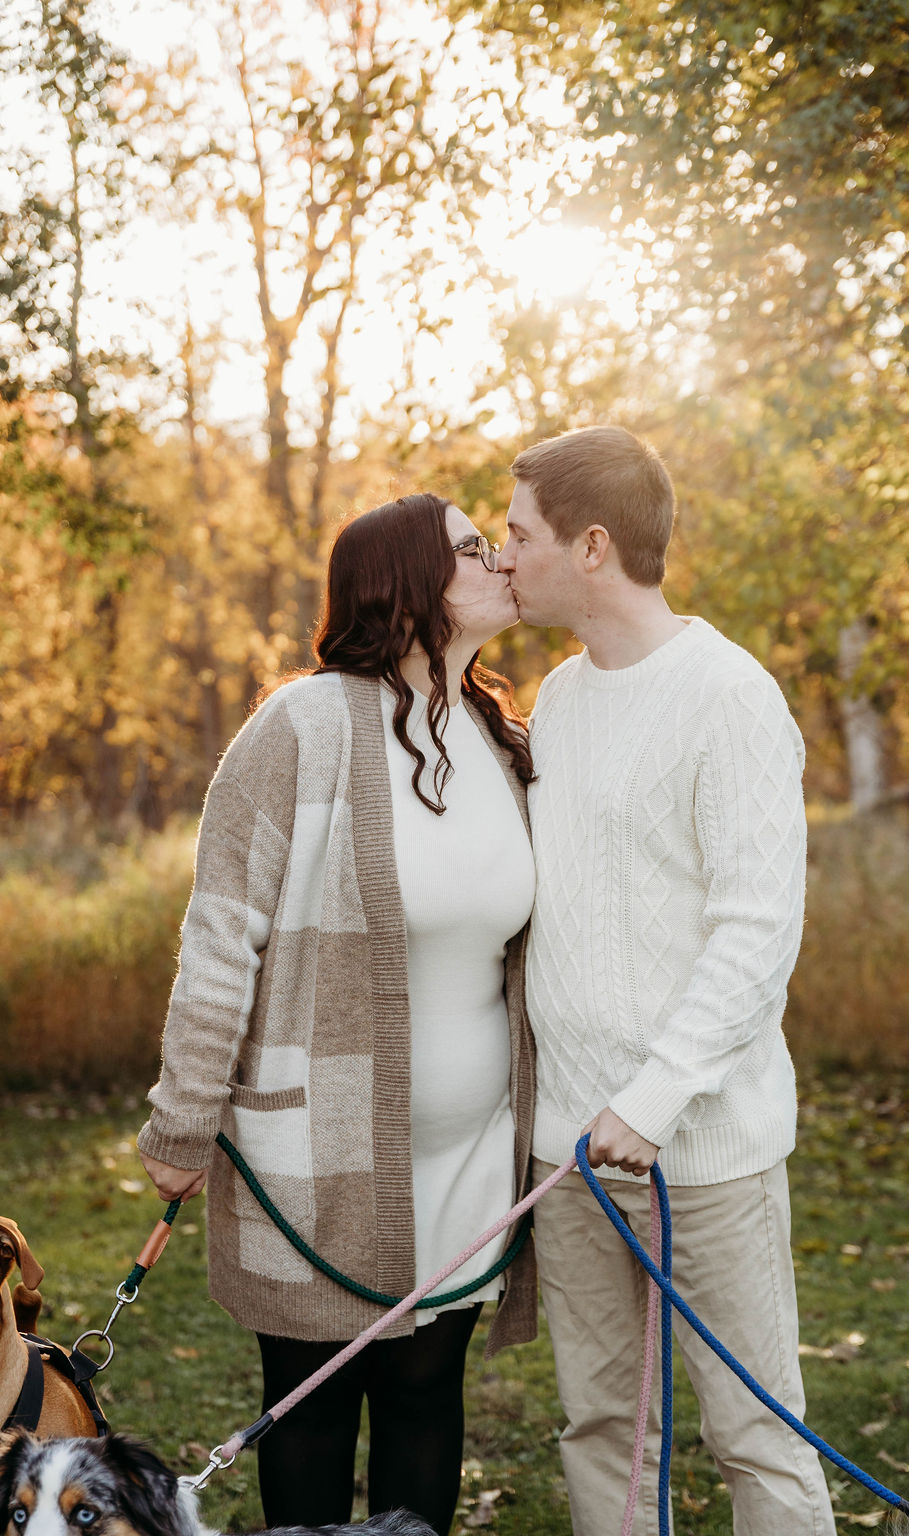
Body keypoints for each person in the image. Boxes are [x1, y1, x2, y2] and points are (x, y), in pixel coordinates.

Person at [137, 493, 537, 1536]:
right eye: (472, 548)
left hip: (469, 1153)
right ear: (407, 584)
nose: (499, 561)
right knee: (312, 1404)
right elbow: (221, 934)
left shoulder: (498, 736)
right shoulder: (299, 727)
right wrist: (183, 1117)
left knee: (426, 1392)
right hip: (317, 1152)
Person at [497, 426, 837, 1536]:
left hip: (702, 1149)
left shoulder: (729, 696)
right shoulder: (559, 698)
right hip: (568, 1153)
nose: (504, 556)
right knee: (602, 1430)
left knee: (756, 1435)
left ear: (591, 546)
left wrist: (650, 1102)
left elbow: (757, 933)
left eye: (520, 534)